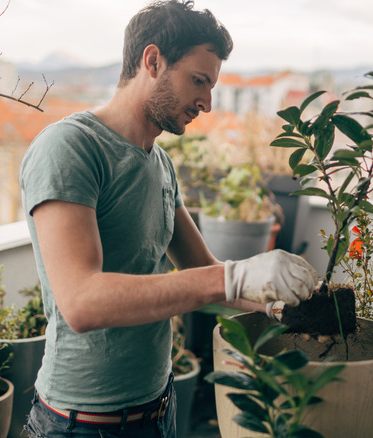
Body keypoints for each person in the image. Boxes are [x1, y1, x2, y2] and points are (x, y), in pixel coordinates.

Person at [18, 1, 318, 437]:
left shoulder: (159, 164)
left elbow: (202, 273)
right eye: (198, 81)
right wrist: (236, 277)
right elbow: (81, 301)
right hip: (79, 424)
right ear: (153, 61)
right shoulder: (70, 148)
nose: (208, 103)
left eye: (212, 86)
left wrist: (278, 302)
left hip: (159, 409)